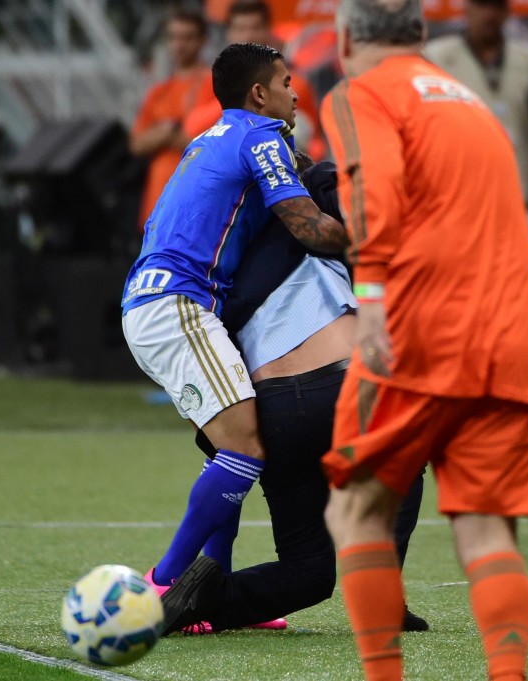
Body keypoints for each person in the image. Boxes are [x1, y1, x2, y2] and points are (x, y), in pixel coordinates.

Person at [315, 0, 528, 676]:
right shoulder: (471, 105)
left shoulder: (361, 93)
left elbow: (373, 190)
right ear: (420, 35)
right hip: (510, 343)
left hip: (418, 331)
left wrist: (372, 297)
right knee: (483, 525)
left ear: (342, 38)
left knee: (356, 508)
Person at [158, 160, 429, 635]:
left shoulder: (216, 268)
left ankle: (203, 598)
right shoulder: (311, 205)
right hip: (342, 387)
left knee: (309, 574)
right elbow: (343, 189)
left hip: (275, 414)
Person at [121, 42, 348, 599]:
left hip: (164, 300)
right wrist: (387, 243)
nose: (296, 93)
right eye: (287, 82)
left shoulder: (211, 137)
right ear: (259, 93)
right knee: (245, 448)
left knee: (232, 447)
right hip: (178, 302)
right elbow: (309, 227)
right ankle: (165, 582)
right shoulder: (259, 134)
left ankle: (210, 588)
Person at [424, 0, 528, 206]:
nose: (489, 14)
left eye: (496, 6)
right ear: (467, 8)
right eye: (482, 5)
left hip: (517, 190)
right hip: (456, 193)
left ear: (507, 11)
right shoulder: (435, 58)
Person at [183, 0, 326, 159]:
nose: (248, 36)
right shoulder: (212, 80)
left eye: (255, 28)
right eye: (241, 29)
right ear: (229, 33)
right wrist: (239, 94)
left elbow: (316, 144)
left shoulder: (296, 83)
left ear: (268, 30)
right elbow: (192, 128)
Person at [130, 8, 217, 230]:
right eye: (173, 37)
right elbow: (137, 144)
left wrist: (166, 135)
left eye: (187, 37)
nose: (179, 45)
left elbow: (212, 144)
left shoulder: (216, 85)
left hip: (199, 202)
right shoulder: (158, 91)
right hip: (158, 203)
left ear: (202, 41)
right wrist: (168, 134)